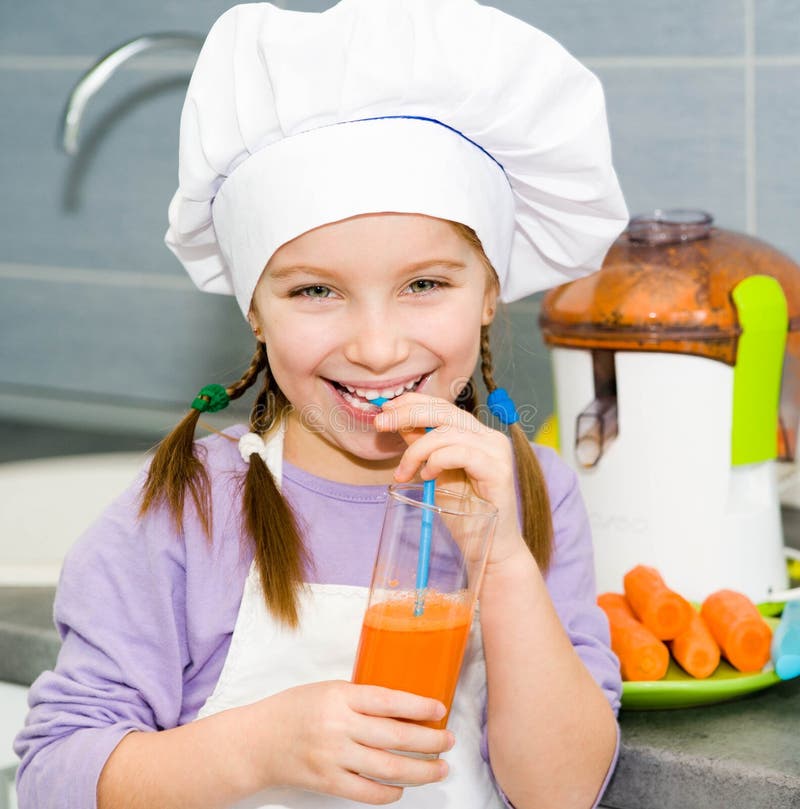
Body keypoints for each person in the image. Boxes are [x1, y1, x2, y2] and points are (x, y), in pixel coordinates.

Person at [14, 1, 629, 807]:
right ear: (255, 310)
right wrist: (256, 748)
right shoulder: (189, 508)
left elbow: (564, 790)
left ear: (488, 295)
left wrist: (504, 564)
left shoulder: (531, 490)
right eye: (315, 290)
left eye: (425, 284)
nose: (376, 347)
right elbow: (51, 778)